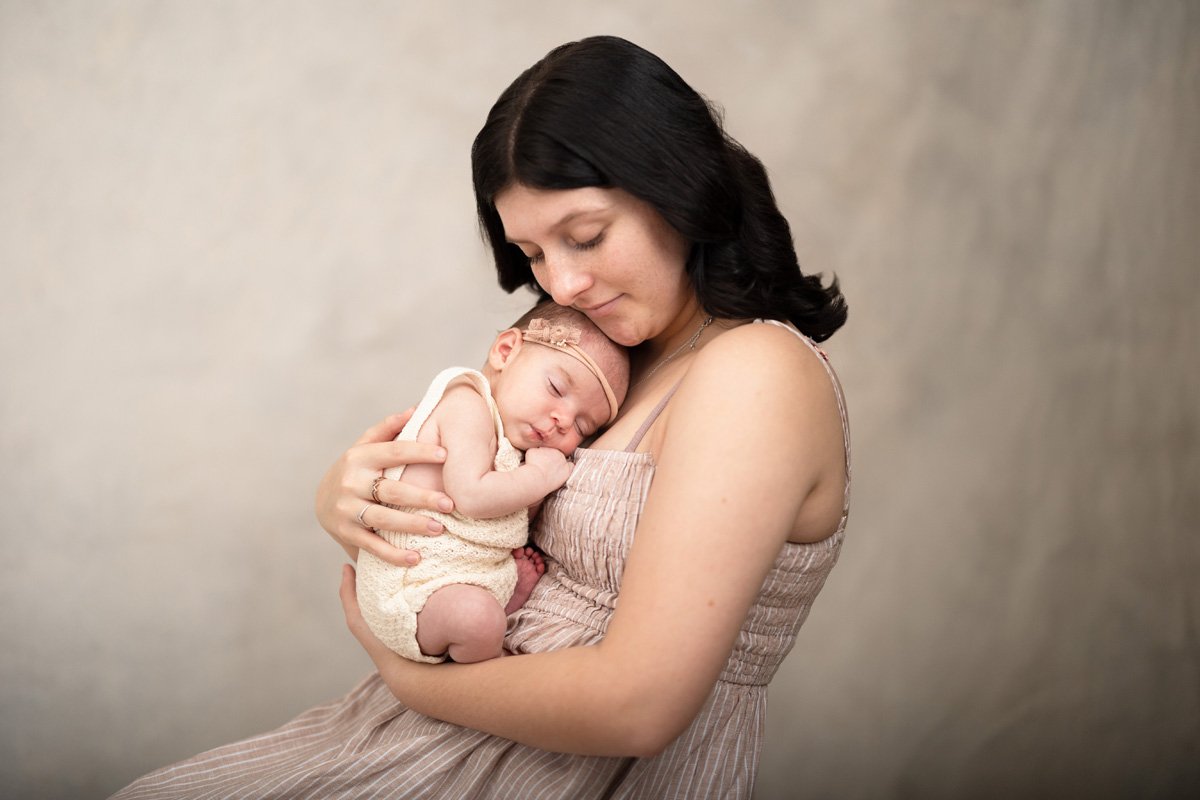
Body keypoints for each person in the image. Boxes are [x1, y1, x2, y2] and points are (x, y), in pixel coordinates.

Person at [112, 34, 849, 799]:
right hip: (441, 743)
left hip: (558, 772)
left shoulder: (758, 371)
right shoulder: (626, 359)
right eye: (530, 252)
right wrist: (354, 496)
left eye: (587, 236)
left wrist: (409, 678)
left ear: (680, 192)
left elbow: (638, 706)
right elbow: (476, 478)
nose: (561, 281)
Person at [355, 302, 629, 664]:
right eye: (556, 387)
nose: (563, 419)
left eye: (582, 427)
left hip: (453, 577)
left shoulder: (508, 443)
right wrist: (538, 477)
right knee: (477, 618)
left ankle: (501, 600)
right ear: (505, 352)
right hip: (410, 590)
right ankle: (489, 670)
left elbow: (505, 518)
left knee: (483, 606)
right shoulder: (466, 405)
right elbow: (472, 496)